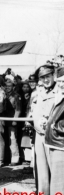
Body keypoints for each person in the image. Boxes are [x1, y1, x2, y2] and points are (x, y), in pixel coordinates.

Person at [31, 64, 56, 195]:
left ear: (54, 75)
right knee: (41, 170)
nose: (45, 80)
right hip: (38, 135)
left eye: (48, 76)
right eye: (42, 78)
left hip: (54, 137)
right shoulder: (39, 92)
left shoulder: (59, 91)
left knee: (56, 170)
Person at [44, 66, 64, 194]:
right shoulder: (60, 96)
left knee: (58, 185)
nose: (61, 84)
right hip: (54, 143)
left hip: (60, 145)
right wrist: (48, 121)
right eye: (60, 81)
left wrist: (54, 127)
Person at [4, 79, 21, 166]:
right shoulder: (4, 95)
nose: (8, 88)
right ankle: (7, 158)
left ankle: (15, 159)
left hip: (12, 121)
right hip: (5, 120)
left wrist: (15, 120)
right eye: (6, 86)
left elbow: (18, 110)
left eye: (9, 86)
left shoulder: (16, 96)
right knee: (7, 140)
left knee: (13, 139)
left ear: (13, 87)